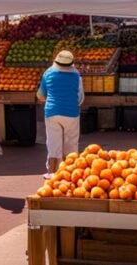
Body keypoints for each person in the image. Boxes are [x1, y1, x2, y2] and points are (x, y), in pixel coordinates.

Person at [37, 51, 84, 182]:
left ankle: (52, 171)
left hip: (52, 112)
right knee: (71, 143)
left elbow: (40, 95)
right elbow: (80, 97)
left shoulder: (48, 73)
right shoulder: (76, 75)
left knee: (53, 142)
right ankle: (70, 172)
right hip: (71, 112)